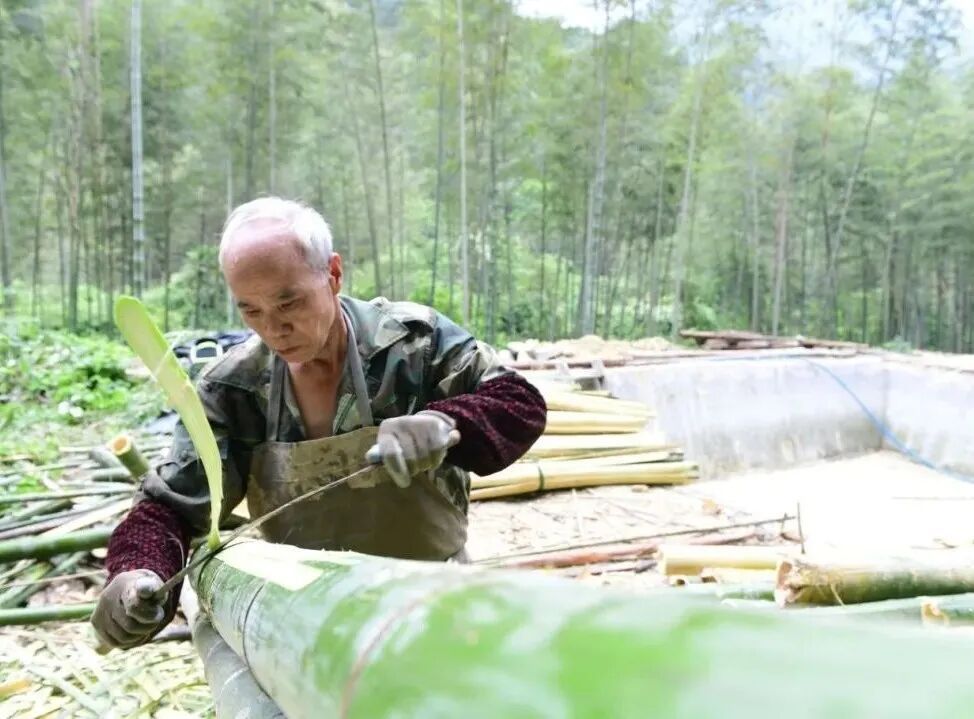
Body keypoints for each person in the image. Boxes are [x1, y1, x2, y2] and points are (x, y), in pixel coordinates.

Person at [92, 197, 547, 649]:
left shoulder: (413, 344)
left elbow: (520, 403)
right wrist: (137, 571)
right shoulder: (234, 389)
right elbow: (171, 507)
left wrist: (446, 422)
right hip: (303, 624)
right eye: (250, 310)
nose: (273, 328)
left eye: (288, 303)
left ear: (332, 274)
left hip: (432, 601)